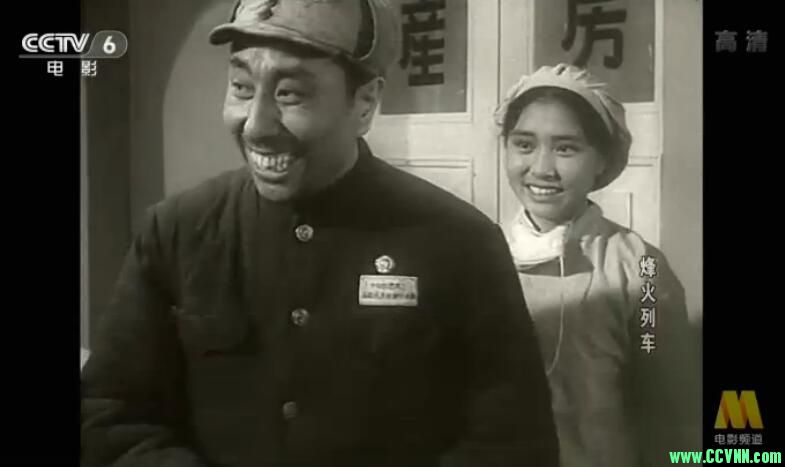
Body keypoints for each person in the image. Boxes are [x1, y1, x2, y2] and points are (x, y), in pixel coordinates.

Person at [80, 1, 560, 466]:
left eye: (290, 93)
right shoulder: (176, 231)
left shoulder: (461, 243)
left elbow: (513, 443)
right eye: (241, 87)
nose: (255, 125)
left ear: (365, 103)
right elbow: (109, 416)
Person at [495, 64, 701, 467]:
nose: (541, 168)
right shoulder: (479, 254)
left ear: (602, 160)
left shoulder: (640, 268)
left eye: (566, 148)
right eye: (524, 144)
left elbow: (672, 411)